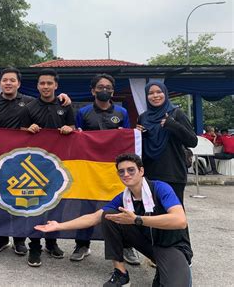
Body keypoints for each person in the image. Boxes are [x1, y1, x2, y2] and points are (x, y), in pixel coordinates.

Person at [35, 153, 192, 287]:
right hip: (147, 244)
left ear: (141, 171)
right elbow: (93, 217)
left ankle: (166, 267)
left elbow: (179, 220)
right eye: (121, 172)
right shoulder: (123, 197)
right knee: (108, 215)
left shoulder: (160, 188)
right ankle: (121, 273)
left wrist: (137, 219)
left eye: (131, 170)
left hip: (171, 246)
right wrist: (58, 226)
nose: (126, 175)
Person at [0, 67, 72, 256]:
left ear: (19, 83)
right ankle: (0, 239)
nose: (8, 83)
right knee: (1, 199)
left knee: (29, 201)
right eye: (5, 80)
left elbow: (49, 108)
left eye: (12, 80)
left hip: (29, 160)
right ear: (1, 83)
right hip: (1, 161)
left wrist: (64, 97)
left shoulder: (29, 102)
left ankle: (20, 240)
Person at [73, 74, 139, 265]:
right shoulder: (83, 112)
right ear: (93, 90)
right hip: (89, 168)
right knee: (86, 204)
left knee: (122, 205)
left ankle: (127, 246)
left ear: (112, 91)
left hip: (114, 170)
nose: (104, 90)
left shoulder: (122, 112)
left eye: (108, 87)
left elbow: (126, 139)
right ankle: (82, 244)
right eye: (100, 87)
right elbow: (78, 140)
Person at [20, 68, 75, 267]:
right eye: (42, 83)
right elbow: (20, 132)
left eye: (49, 83)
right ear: (37, 86)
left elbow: (74, 129)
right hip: (35, 165)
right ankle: (34, 246)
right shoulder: (29, 107)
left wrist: (70, 129)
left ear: (56, 85)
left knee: (56, 203)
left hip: (59, 165)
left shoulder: (65, 105)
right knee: (35, 205)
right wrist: (28, 129)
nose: (45, 86)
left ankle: (52, 243)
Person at [137, 81, 198, 204]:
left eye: (159, 92)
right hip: (150, 172)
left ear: (165, 93)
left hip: (173, 172)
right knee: (153, 213)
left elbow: (192, 141)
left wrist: (172, 125)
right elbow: (142, 145)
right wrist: (141, 135)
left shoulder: (176, 113)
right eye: (150, 93)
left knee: (175, 214)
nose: (155, 96)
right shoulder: (143, 117)